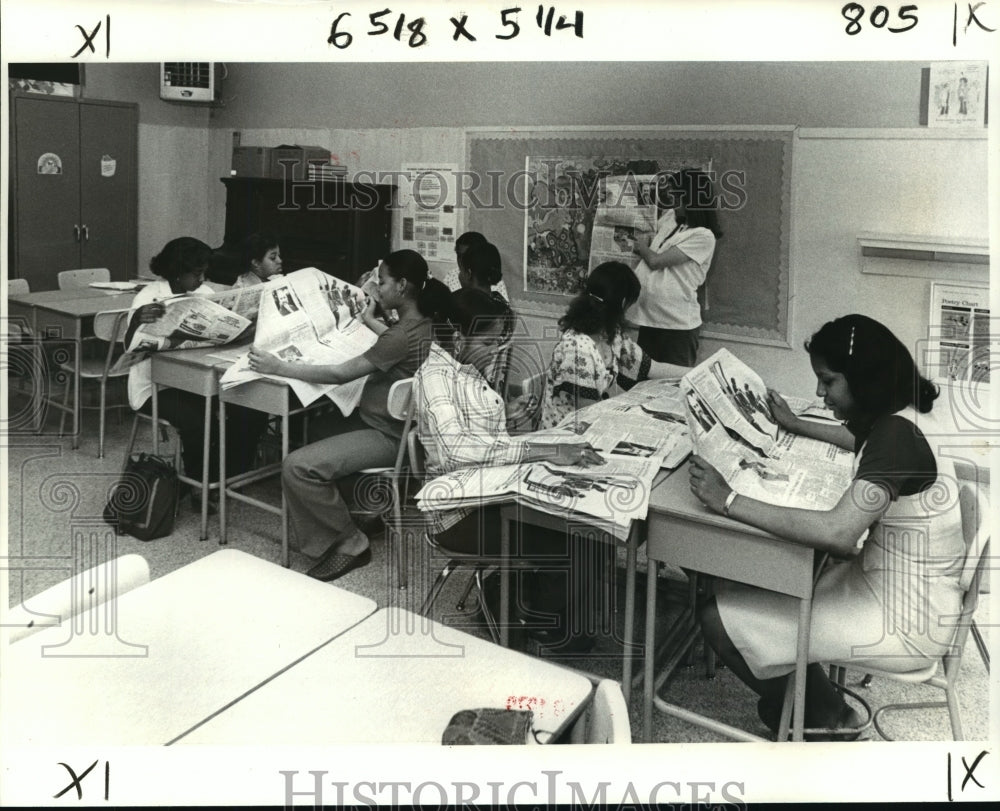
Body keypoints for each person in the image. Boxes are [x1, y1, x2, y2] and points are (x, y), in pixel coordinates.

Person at [689, 314, 965, 739]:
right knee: (768, 582)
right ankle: (811, 702)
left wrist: (728, 499)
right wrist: (796, 425)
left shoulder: (895, 436)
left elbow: (838, 533)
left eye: (829, 380)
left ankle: (830, 720)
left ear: (863, 378)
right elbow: (858, 443)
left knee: (716, 616)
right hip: (903, 586)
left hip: (905, 618)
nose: (821, 392)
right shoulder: (899, 415)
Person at [413, 287, 605, 652]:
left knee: (588, 524)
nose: (497, 349)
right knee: (579, 538)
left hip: (493, 491)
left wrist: (511, 418)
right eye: (488, 340)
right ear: (457, 337)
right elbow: (457, 449)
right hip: (458, 513)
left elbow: (481, 436)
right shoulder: (434, 377)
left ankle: (537, 608)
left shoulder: (464, 366)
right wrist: (538, 449)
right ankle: (512, 598)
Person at [247, 249, 450, 581]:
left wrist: (279, 366)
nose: (376, 288)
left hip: (388, 434)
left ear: (401, 286)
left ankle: (351, 541)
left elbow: (343, 374)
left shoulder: (400, 335)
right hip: (401, 427)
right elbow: (391, 340)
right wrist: (371, 319)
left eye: (381, 282)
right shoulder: (421, 324)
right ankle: (358, 509)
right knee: (316, 428)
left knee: (297, 466)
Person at [126, 237, 268, 490]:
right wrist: (137, 321)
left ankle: (231, 474)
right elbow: (131, 346)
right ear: (176, 273)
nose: (202, 280)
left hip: (201, 377)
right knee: (199, 421)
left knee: (250, 407)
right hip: (157, 387)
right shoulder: (149, 298)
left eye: (204, 272)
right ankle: (201, 482)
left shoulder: (204, 294)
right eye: (196, 273)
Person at [539, 261, 689, 430]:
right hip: (568, 430)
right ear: (623, 303)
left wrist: (699, 372)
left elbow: (652, 367)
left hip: (593, 419)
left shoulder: (611, 334)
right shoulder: (578, 348)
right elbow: (586, 412)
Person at [627, 168, 722, 366]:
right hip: (650, 318)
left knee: (670, 385)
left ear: (690, 198)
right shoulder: (672, 218)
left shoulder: (704, 236)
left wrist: (640, 247)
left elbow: (656, 261)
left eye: (677, 196)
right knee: (642, 383)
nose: (672, 200)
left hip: (676, 325)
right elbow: (651, 233)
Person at [442, 231, 510, 301]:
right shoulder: (451, 276)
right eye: (459, 255)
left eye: (466, 256)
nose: (460, 261)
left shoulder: (491, 277)